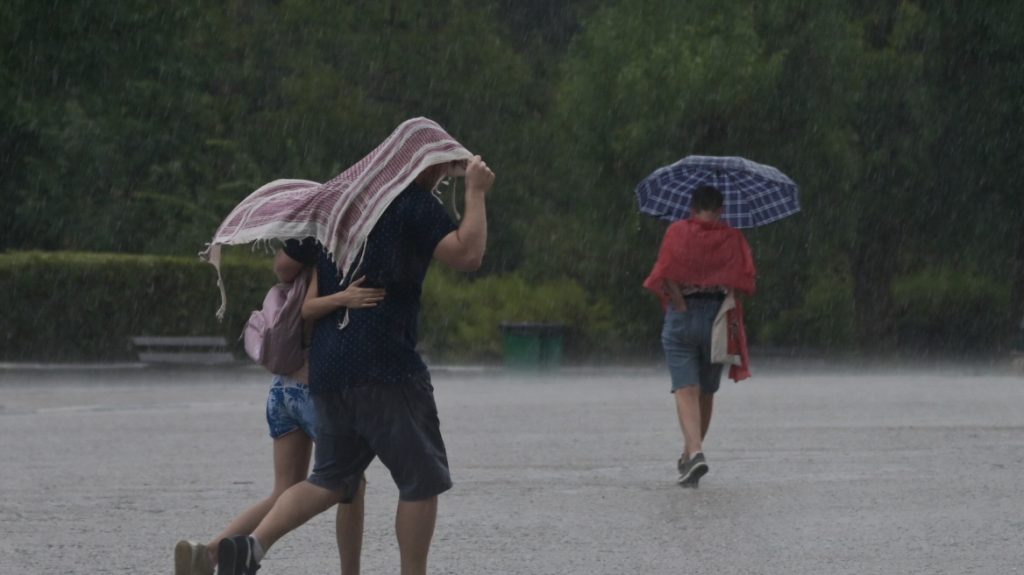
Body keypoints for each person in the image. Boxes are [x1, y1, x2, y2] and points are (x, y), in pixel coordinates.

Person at [216, 154, 494, 575]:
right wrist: (474, 192)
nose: (440, 176)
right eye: (440, 166)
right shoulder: (410, 202)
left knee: (328, 480)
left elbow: (284, 265)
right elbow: (468, 254)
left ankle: (253, 546)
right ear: (423, 165)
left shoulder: (337, 204)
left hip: (328, 371)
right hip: (387, 368)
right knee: (420, 481)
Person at [174, 249, 385, 575]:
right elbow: (311, 311)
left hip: (281, 390)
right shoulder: (329, 256)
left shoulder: (300, 257)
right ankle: (349, 572)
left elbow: (285, 268)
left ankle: (210, 552)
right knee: (352, 483)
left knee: (285, 489)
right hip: (313, 392)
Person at [643, 185, 756, 488]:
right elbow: (743, 281)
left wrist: (679, 301)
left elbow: (664, 272)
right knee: (706, 390)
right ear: (721, 209)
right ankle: (691, 455)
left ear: (691, 207)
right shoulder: (733, 237)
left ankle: (693, 452)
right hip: (718, 319)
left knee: (685, 388)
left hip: (682, 317)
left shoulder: (677, 232)